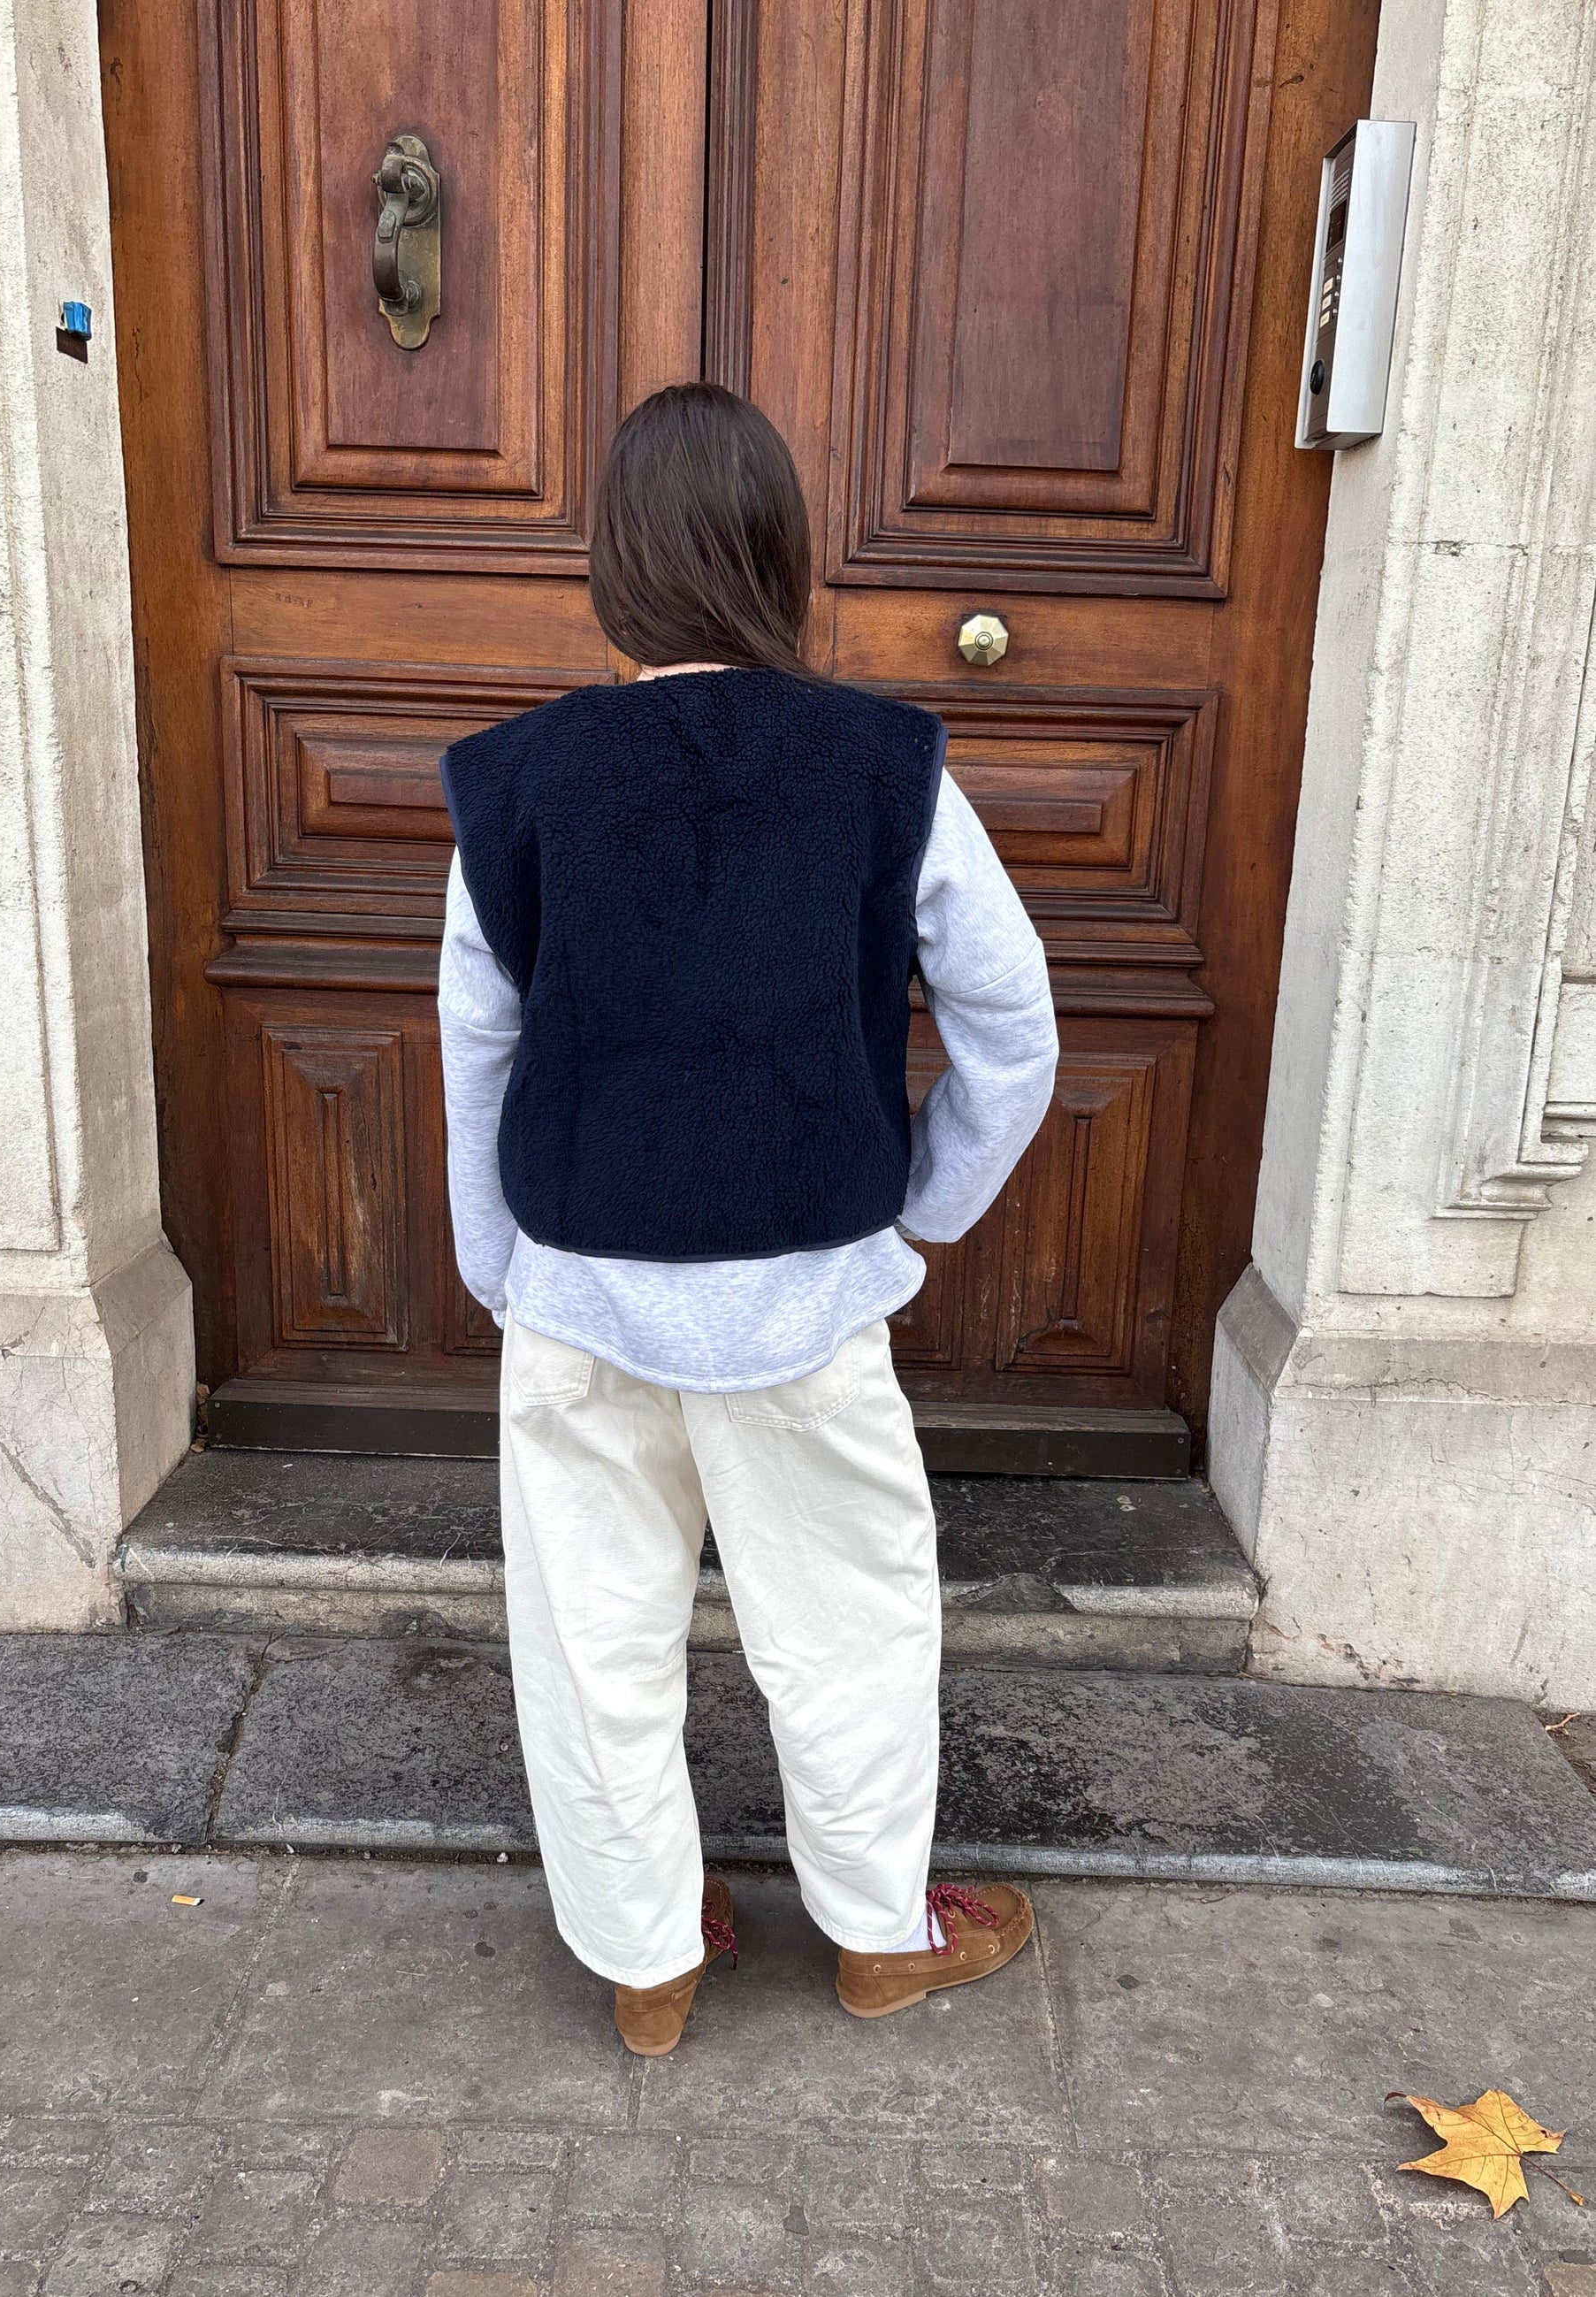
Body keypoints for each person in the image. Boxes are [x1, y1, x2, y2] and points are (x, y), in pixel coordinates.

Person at [437, 382, 1058, 2056]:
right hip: (803, 1302)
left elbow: (477, 1040)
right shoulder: (885, 766)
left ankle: (646, 1964)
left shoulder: (518, 782)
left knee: (593, 1642)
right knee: (849, 1628)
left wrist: (500, 1264)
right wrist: (918, 1211)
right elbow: (1014, 1030)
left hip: (579, 1294)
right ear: (781, 557)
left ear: (613, 567)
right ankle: (877, 1939)